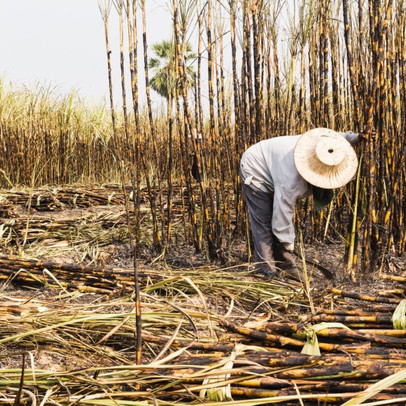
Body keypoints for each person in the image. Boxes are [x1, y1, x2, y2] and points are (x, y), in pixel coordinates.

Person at [240, 127, 362, 281]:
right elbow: (282, 214)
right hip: (256, 167)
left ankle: (285, 264)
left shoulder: (320, 145)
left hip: (276, 165)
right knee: (263, 220)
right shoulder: (291, 180)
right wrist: (288, 243)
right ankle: (266, 269)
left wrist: (355, 138)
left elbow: (335, 140)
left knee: (278, 226)